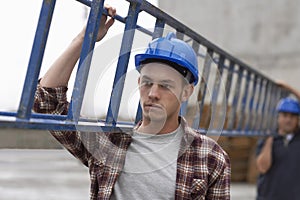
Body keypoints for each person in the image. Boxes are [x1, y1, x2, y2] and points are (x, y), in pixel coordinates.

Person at [33, 5, 230, 200]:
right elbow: (46, 103)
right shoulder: (107, 143)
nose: (152, 93)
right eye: (147, 82)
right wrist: (84, 39)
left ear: (186, 92)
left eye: (165, 85)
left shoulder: (210, 156)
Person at [255, 82, 300, 200]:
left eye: (293, 116)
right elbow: (262, 168)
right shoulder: (267, 139)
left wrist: (290, 89)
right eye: (285, 115)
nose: (288, 120)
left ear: (297, 119)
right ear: (278, 117)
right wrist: (270, 140)